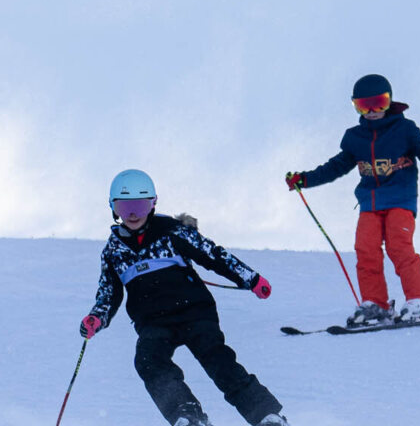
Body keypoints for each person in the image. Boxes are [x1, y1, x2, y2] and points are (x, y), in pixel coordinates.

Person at [80, 169, 288, 426]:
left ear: (153, 204)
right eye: (125, 207)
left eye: (140, 206)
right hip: (153, 323)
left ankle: (266, 415)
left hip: (194, 312)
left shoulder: (172, 232)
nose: (133, 214)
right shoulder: (114, 251)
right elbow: (108, 294)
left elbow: (214, 255)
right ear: (113, 208)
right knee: (148, 361)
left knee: (217, 359)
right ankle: (187, 415)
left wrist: (251, 279)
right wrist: (96, 318)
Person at [284, 73, 420, 327]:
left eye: (379, 103)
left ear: (390, 101)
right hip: (370, 203)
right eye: (363, 106)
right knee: (366, 249)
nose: (372, 111)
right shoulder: (355, 137)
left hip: (400, 198)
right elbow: (335, 167)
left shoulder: (404, 129)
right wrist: (305, 179)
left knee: (399, 246)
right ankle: (376, 304)